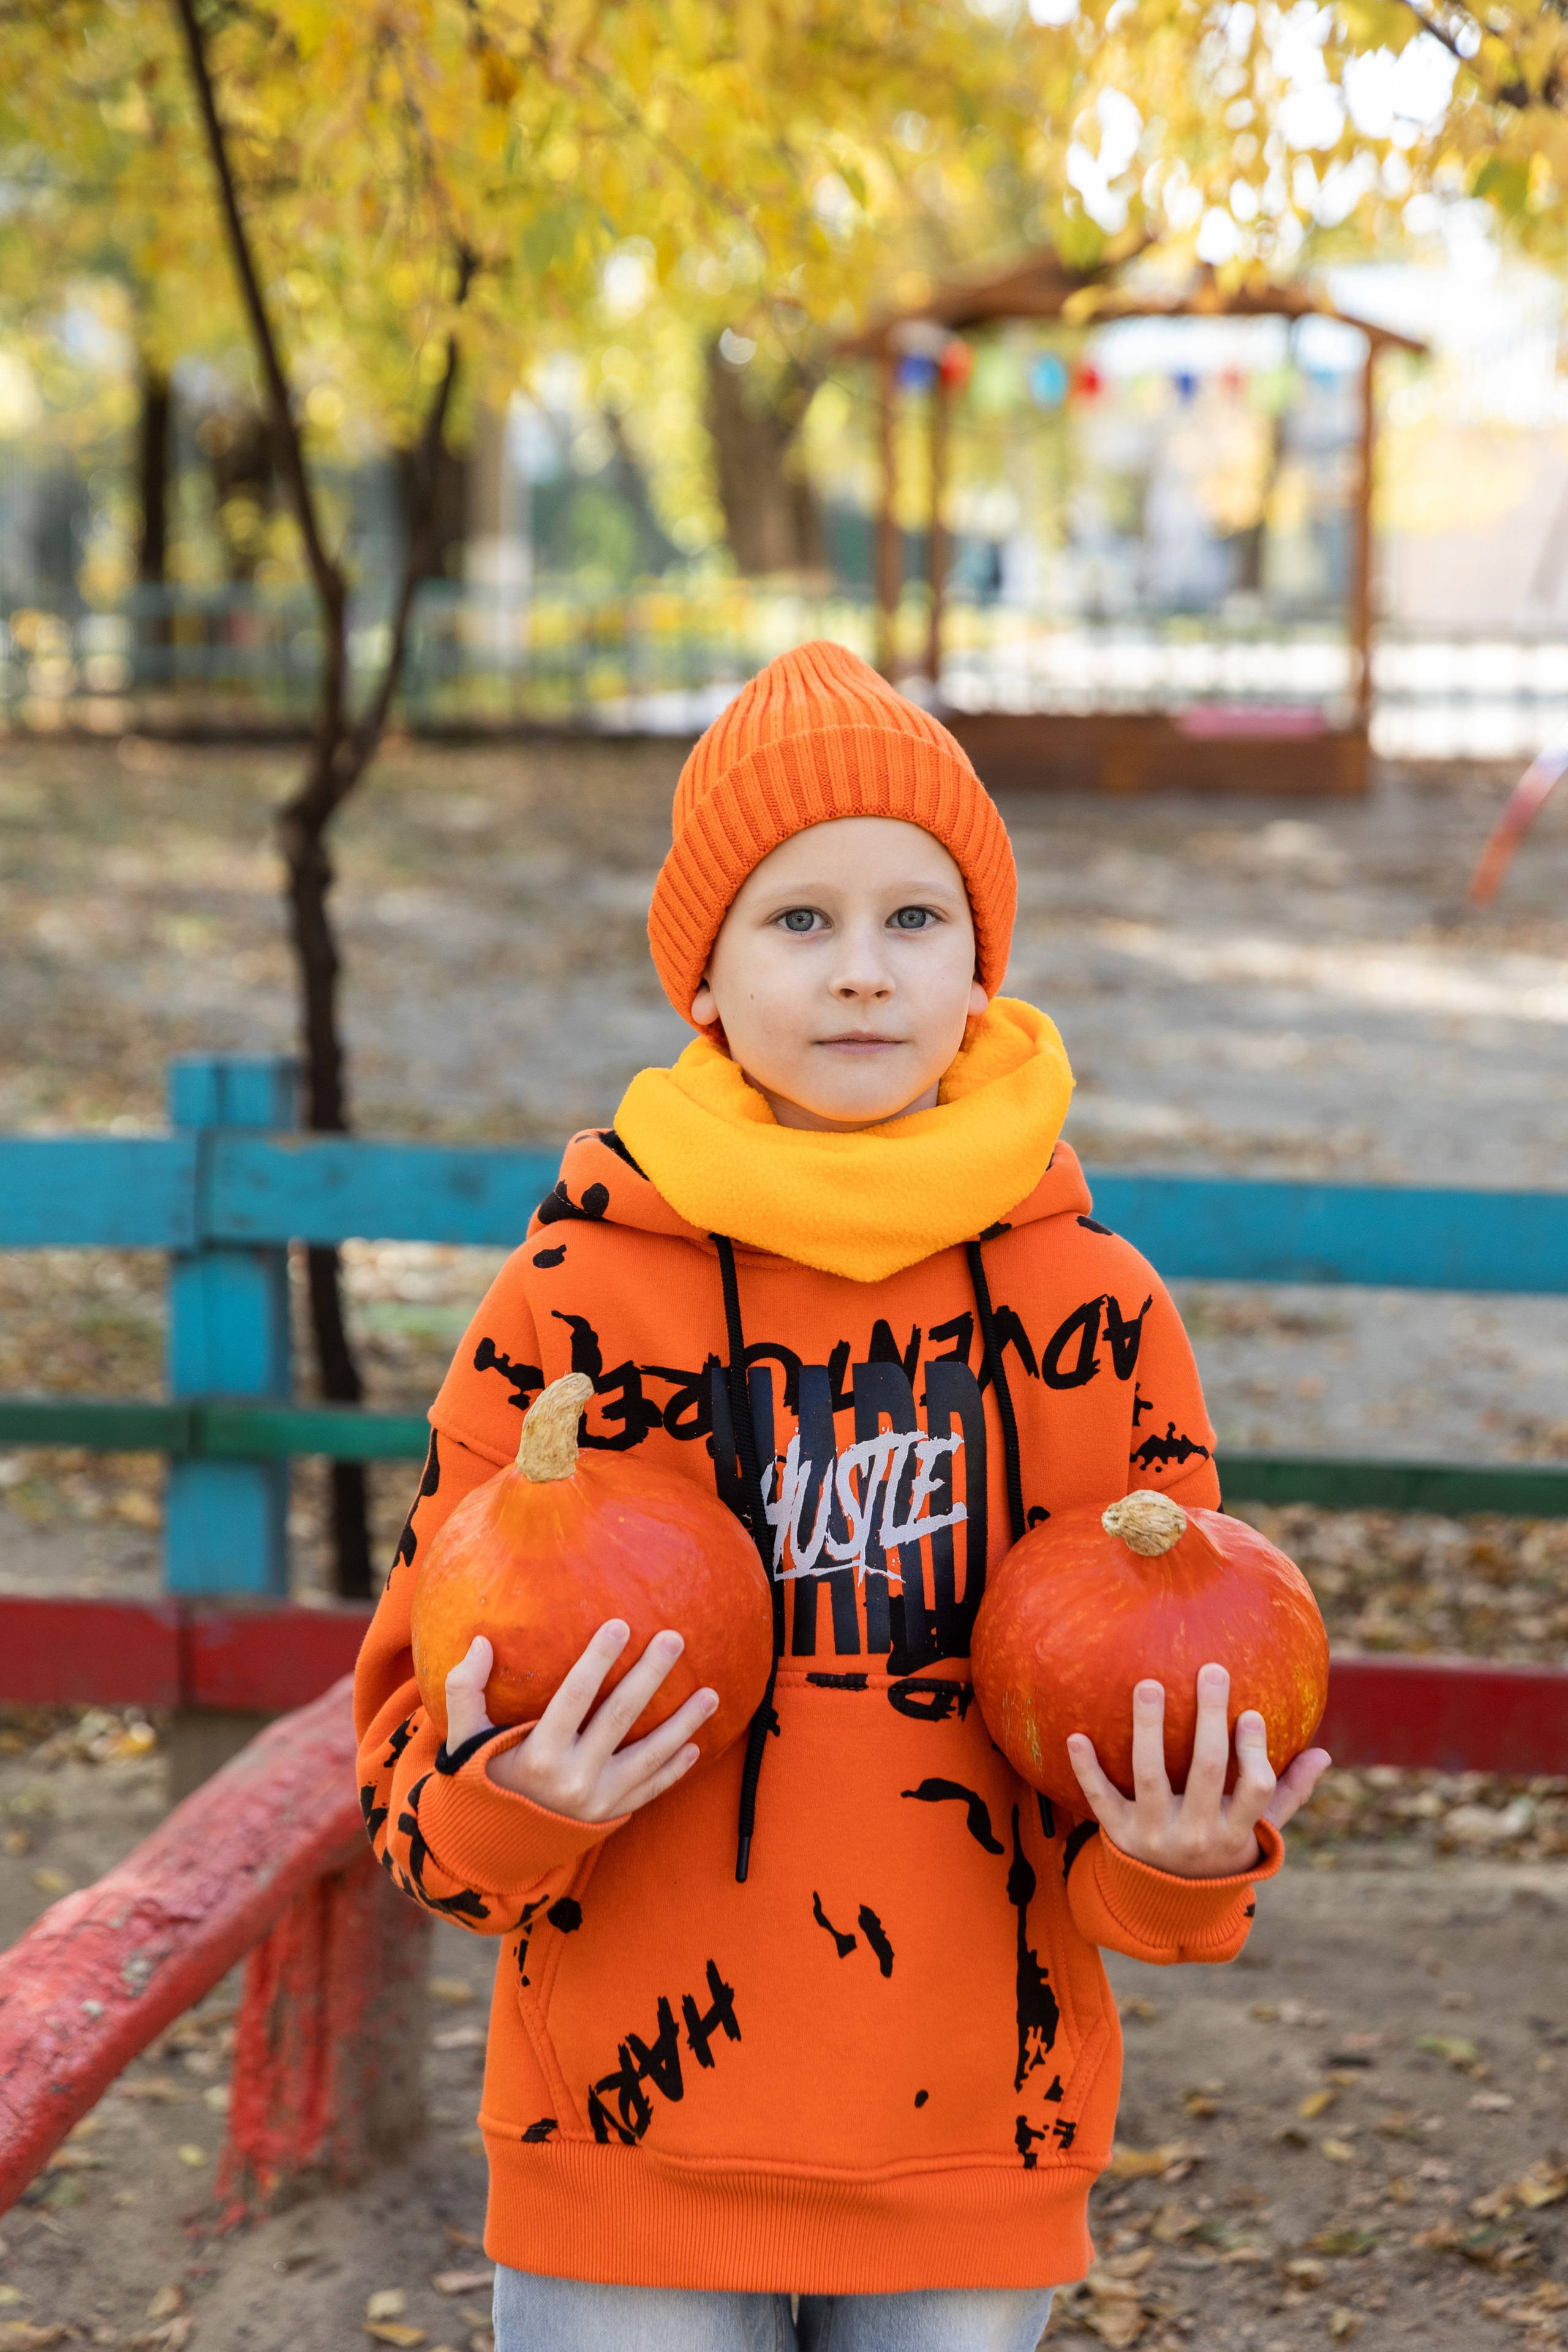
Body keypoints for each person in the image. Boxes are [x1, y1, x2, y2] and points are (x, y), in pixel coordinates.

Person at [353, 641, 1330, 2352]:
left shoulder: (1096, 1314)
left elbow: (1147, 1724)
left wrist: (1184, 1862)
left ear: (978, 966)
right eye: (798, 920)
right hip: (624, 2148)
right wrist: (522, 1799)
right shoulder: (570, 1305)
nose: (863, 973)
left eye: (915, 919)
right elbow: (403, 1779)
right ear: (706, 978)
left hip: (975, 2149)